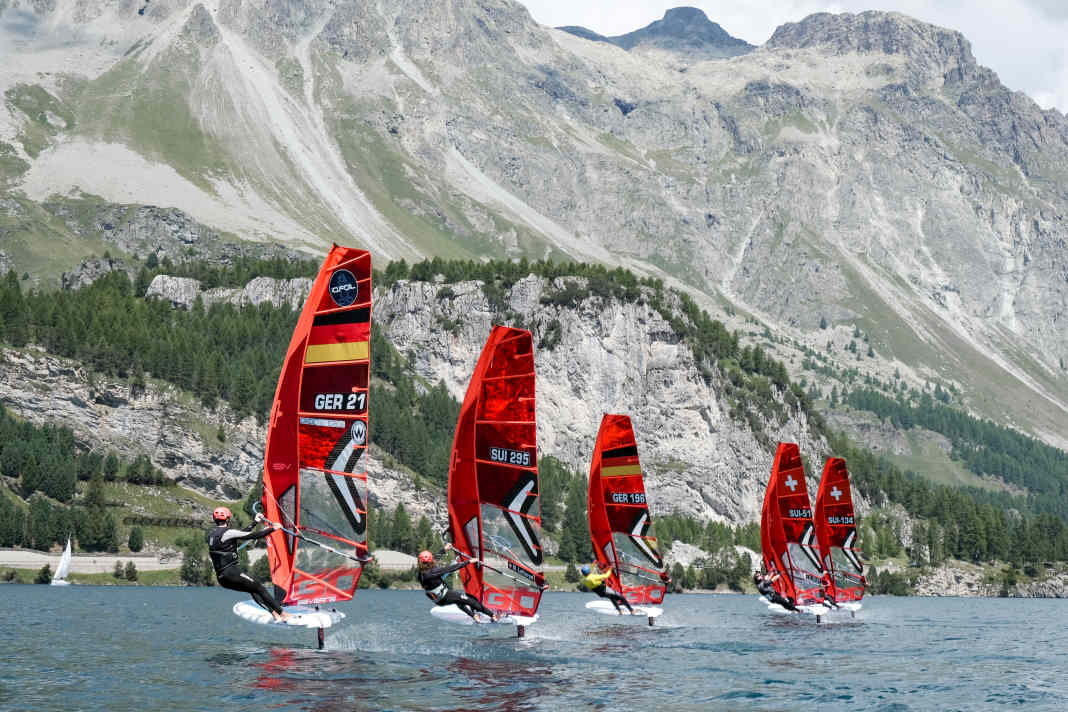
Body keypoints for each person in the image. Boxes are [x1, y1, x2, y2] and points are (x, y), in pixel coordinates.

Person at [207, 506, 290, 623]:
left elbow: (241, 534)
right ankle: (283, 614)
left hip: (222, 578)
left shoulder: (211, 534)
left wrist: (255, 522)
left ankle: (275, 614)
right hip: (231, 572)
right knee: (259, 587)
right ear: (227, 519)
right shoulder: (228, 532)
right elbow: (252, 535)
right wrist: (273, 528)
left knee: (253, 589)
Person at [418, 543, 500, 623]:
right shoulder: (433, 572)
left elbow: (435, 558)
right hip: (445, 596)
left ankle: (474, 616)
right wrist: (468, 562)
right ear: (430, 561)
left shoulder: (421, 573)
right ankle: (493, 615)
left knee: (458, 601)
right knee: (470, 600)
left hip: (438, 600)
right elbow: (451, 568)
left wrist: (444, 549)